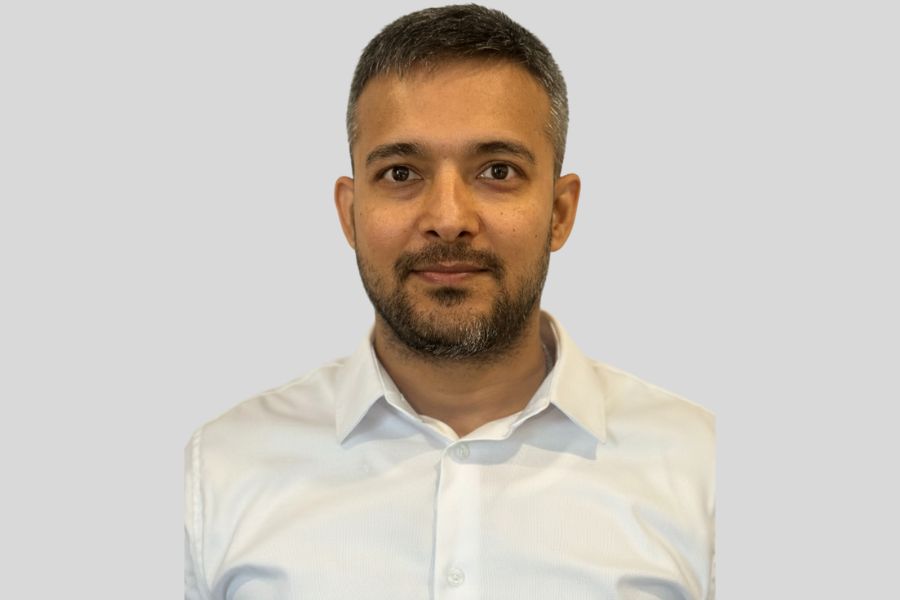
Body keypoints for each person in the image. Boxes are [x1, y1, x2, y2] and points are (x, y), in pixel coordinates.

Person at [184, 5, 715, 599]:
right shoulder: (217, 472)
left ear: (560, 212)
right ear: (350, 214)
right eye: (401, 174)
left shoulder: (702, 472)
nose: (448, 218)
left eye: (497, 171)